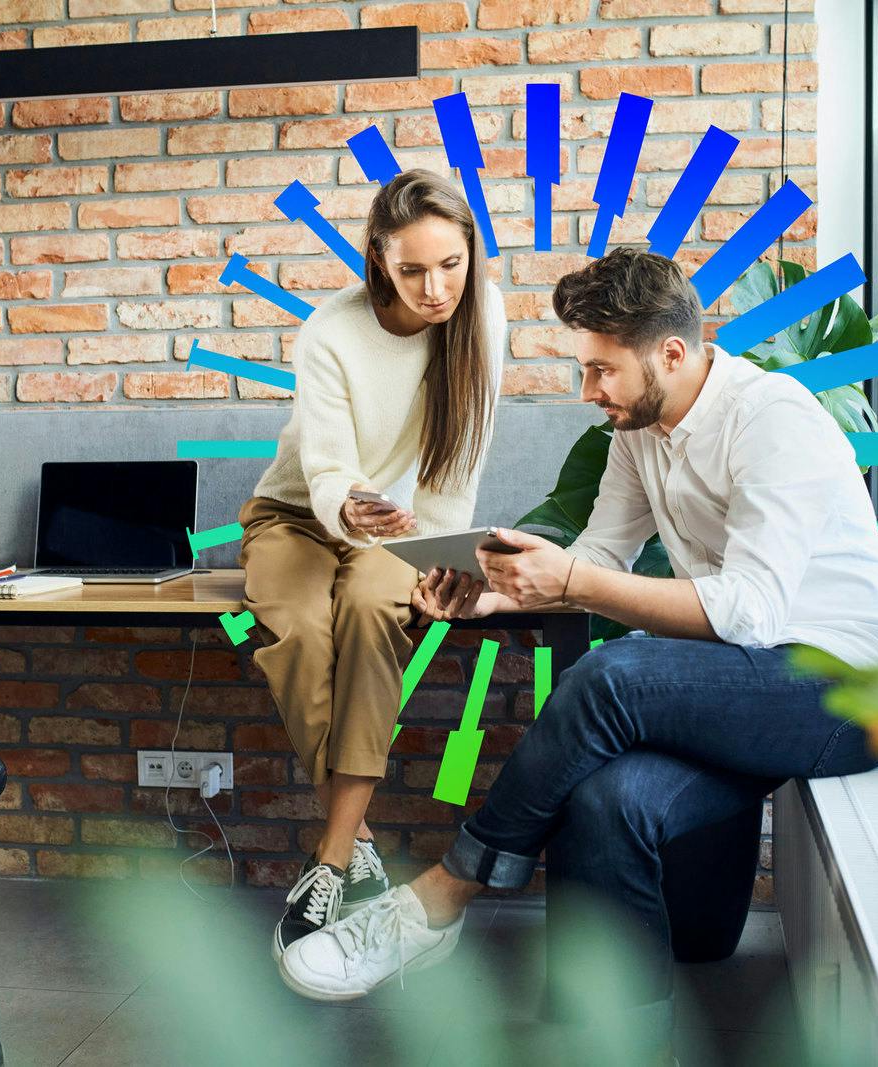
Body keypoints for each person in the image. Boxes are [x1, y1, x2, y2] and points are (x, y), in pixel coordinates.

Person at [277, 248, 878, 1055]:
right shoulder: (640, 432)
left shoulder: (772, 418)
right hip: (752, 685)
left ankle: (443, 893)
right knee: (601, 801)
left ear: (671, 354)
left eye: (601, 370)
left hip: (849, 686)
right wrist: (492, 595)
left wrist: (571, 576)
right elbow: (600, 558)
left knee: (612, 673)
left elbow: (749, 612)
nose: (589, 392)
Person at [238, 169, 506, 962]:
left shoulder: (484, 317)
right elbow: (325, 469)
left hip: (404, 527)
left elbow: (458, 467)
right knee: (295, 629)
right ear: (379, 261)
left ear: (470, 256)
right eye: (413, 268)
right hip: (301, 512)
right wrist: (349, 504)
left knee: (367, 613)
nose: (435, 288)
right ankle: (353, 845)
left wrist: (442, 557)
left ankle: (327, 860)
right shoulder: (331, 332)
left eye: (450, 264)